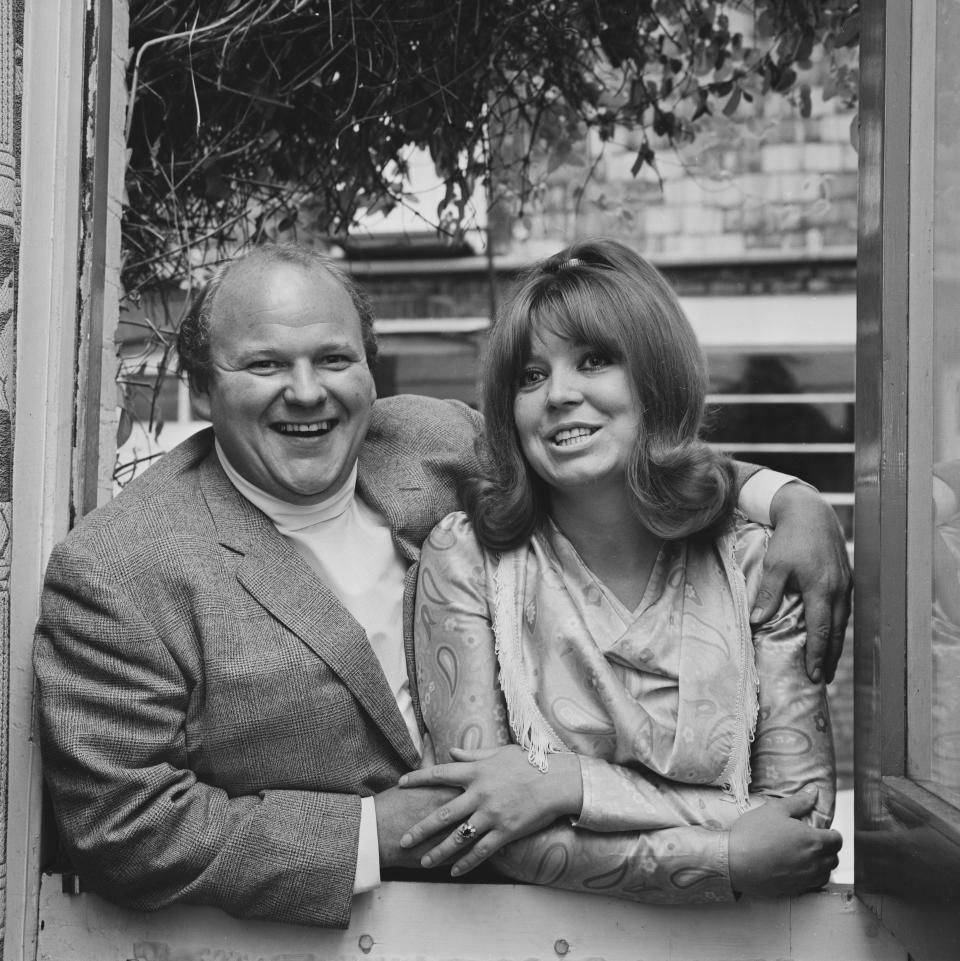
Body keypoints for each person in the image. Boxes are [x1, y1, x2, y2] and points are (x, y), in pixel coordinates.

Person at [34, 242, 848, 927]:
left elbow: (609, 458)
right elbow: (118, 825)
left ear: (370, 365)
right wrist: (363, 834)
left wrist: (786, 497)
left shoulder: (431, 441)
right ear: (204, 387)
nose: (308, 391)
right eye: (264, 364)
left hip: (566, 920)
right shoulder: (119, 567)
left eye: (334, 358)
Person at [401, 239, 842, 903]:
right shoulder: (466, 557)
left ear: (654, 376)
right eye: (530, 375)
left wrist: (566, 784)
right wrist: (723, 856)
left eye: (594, 360)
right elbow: (482, 825)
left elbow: (797, 824)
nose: (559, 394)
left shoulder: (757, 562)